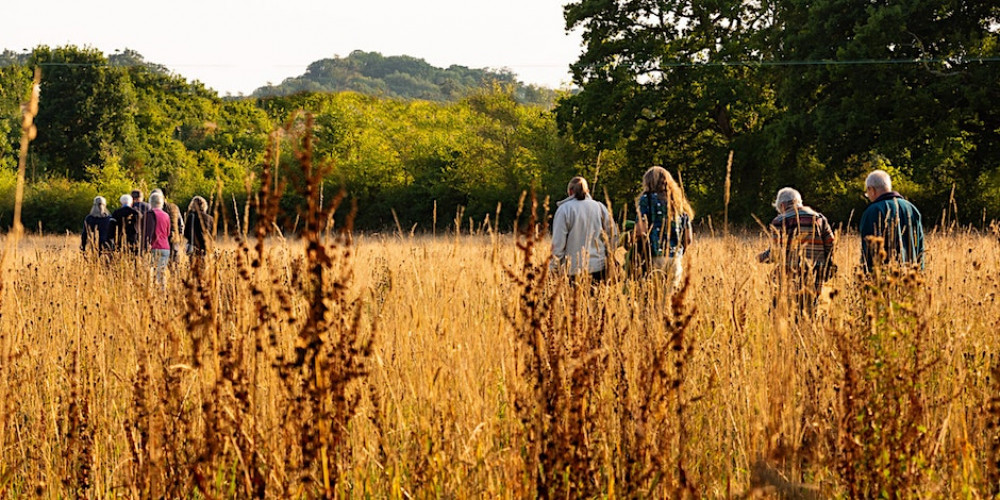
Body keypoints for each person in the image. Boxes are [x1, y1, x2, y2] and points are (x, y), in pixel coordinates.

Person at [758, 188, 836, 314]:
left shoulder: (780, 220)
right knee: (808, 314)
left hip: (789, 276)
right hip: (815, 275)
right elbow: (831, 244)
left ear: (782, 205)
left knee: (779, 315)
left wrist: (761, 258)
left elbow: (776, 253)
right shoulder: (820, 218)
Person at [635, 166, 694, 289]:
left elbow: (641, 231)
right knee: (670, 301)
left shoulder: (647, 199)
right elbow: (688, 239)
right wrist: (678, 252)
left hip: (655, 257)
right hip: (675, 259)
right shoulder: (679, 203)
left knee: (653, 299)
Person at [550, 176, 615, 284]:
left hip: (573, 270)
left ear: (570, 192)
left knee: (575, 301)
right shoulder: (599, 207)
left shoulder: (564, 209)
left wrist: (553, 268)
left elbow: (558, 244)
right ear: (587, 191)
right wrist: (609, 256)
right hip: (599, 268)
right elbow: (613, 235)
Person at [859, 170, 925, 272]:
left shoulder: (872, 211)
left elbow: (868, 250)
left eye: (867, 193)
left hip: (884, 278)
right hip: (910, 277)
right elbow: (920, 248)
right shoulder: (911, 208)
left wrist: (866, 275)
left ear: (871, 189)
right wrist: (919, 273)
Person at [144, 192, 172, 286]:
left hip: (153, 246)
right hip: (165, 247)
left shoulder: (149, 214)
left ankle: (151, 294)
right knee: (161, 273)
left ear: (150, 202)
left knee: (149, 274)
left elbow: (146, 232)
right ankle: (162, 293)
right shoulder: (166, 215)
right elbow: (168, 233)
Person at [151, 188, 184, 263]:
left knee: (157, 267)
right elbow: (181, 224)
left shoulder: (152, 211)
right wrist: (178, 236)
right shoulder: (174, 207)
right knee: (174, 265)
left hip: (158, 242)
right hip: (174, 240)